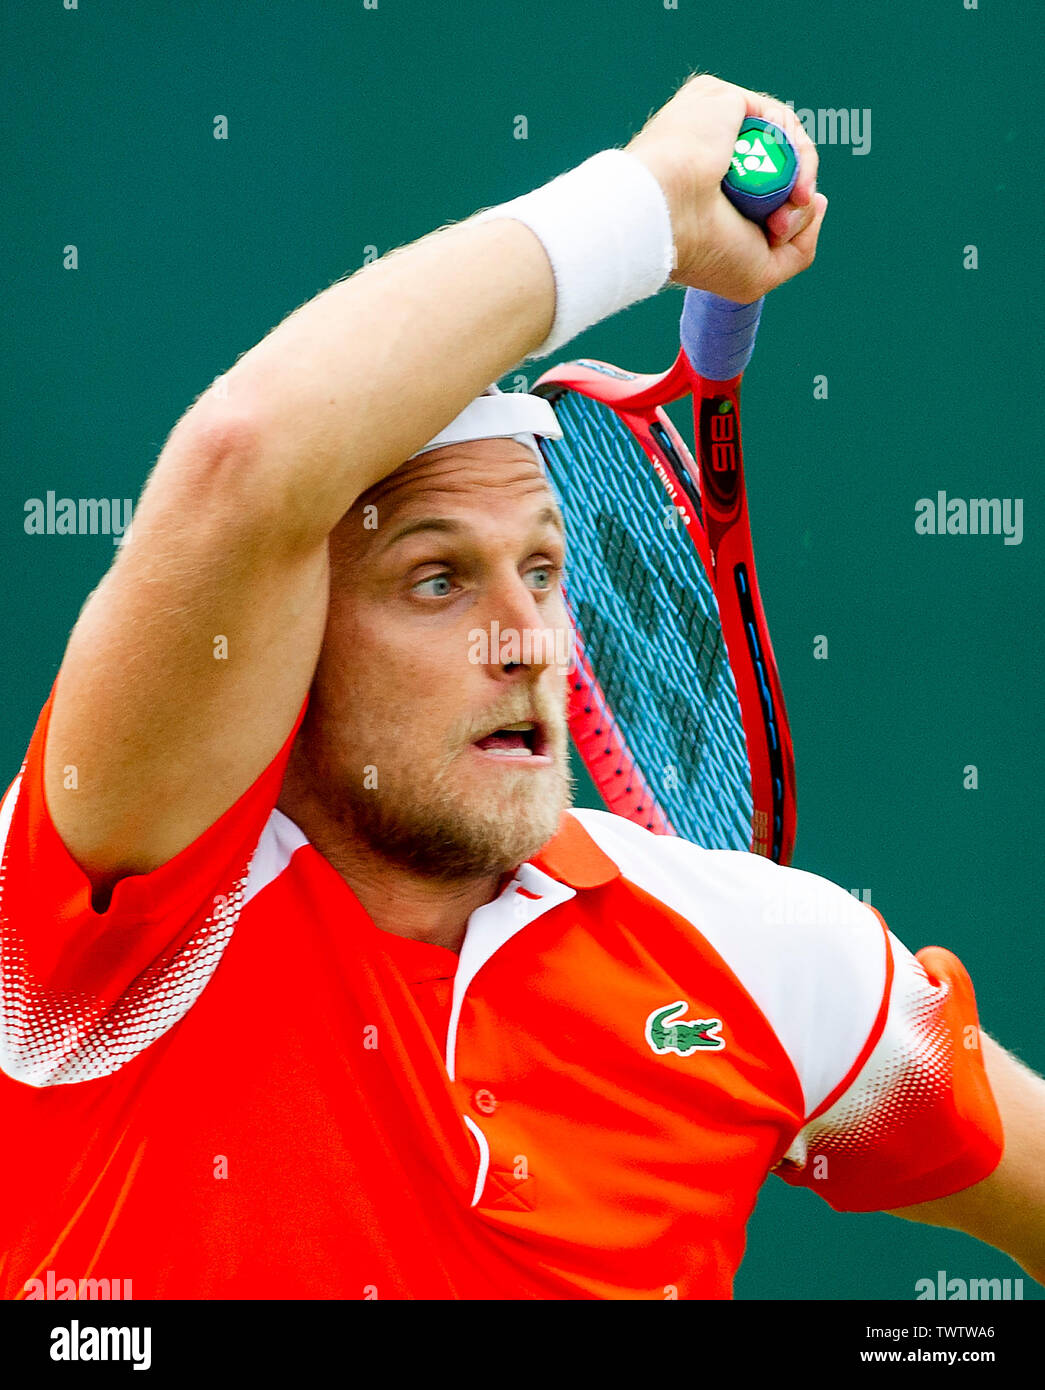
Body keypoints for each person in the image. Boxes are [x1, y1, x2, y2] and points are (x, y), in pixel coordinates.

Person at [1, 72, 1042, 1301]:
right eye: (436, 580)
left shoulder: (764, 958)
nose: (530, 639)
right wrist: (646, 209)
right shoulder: (110, 916)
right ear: (288, 643)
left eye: (544, 571)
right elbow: (250, 453)